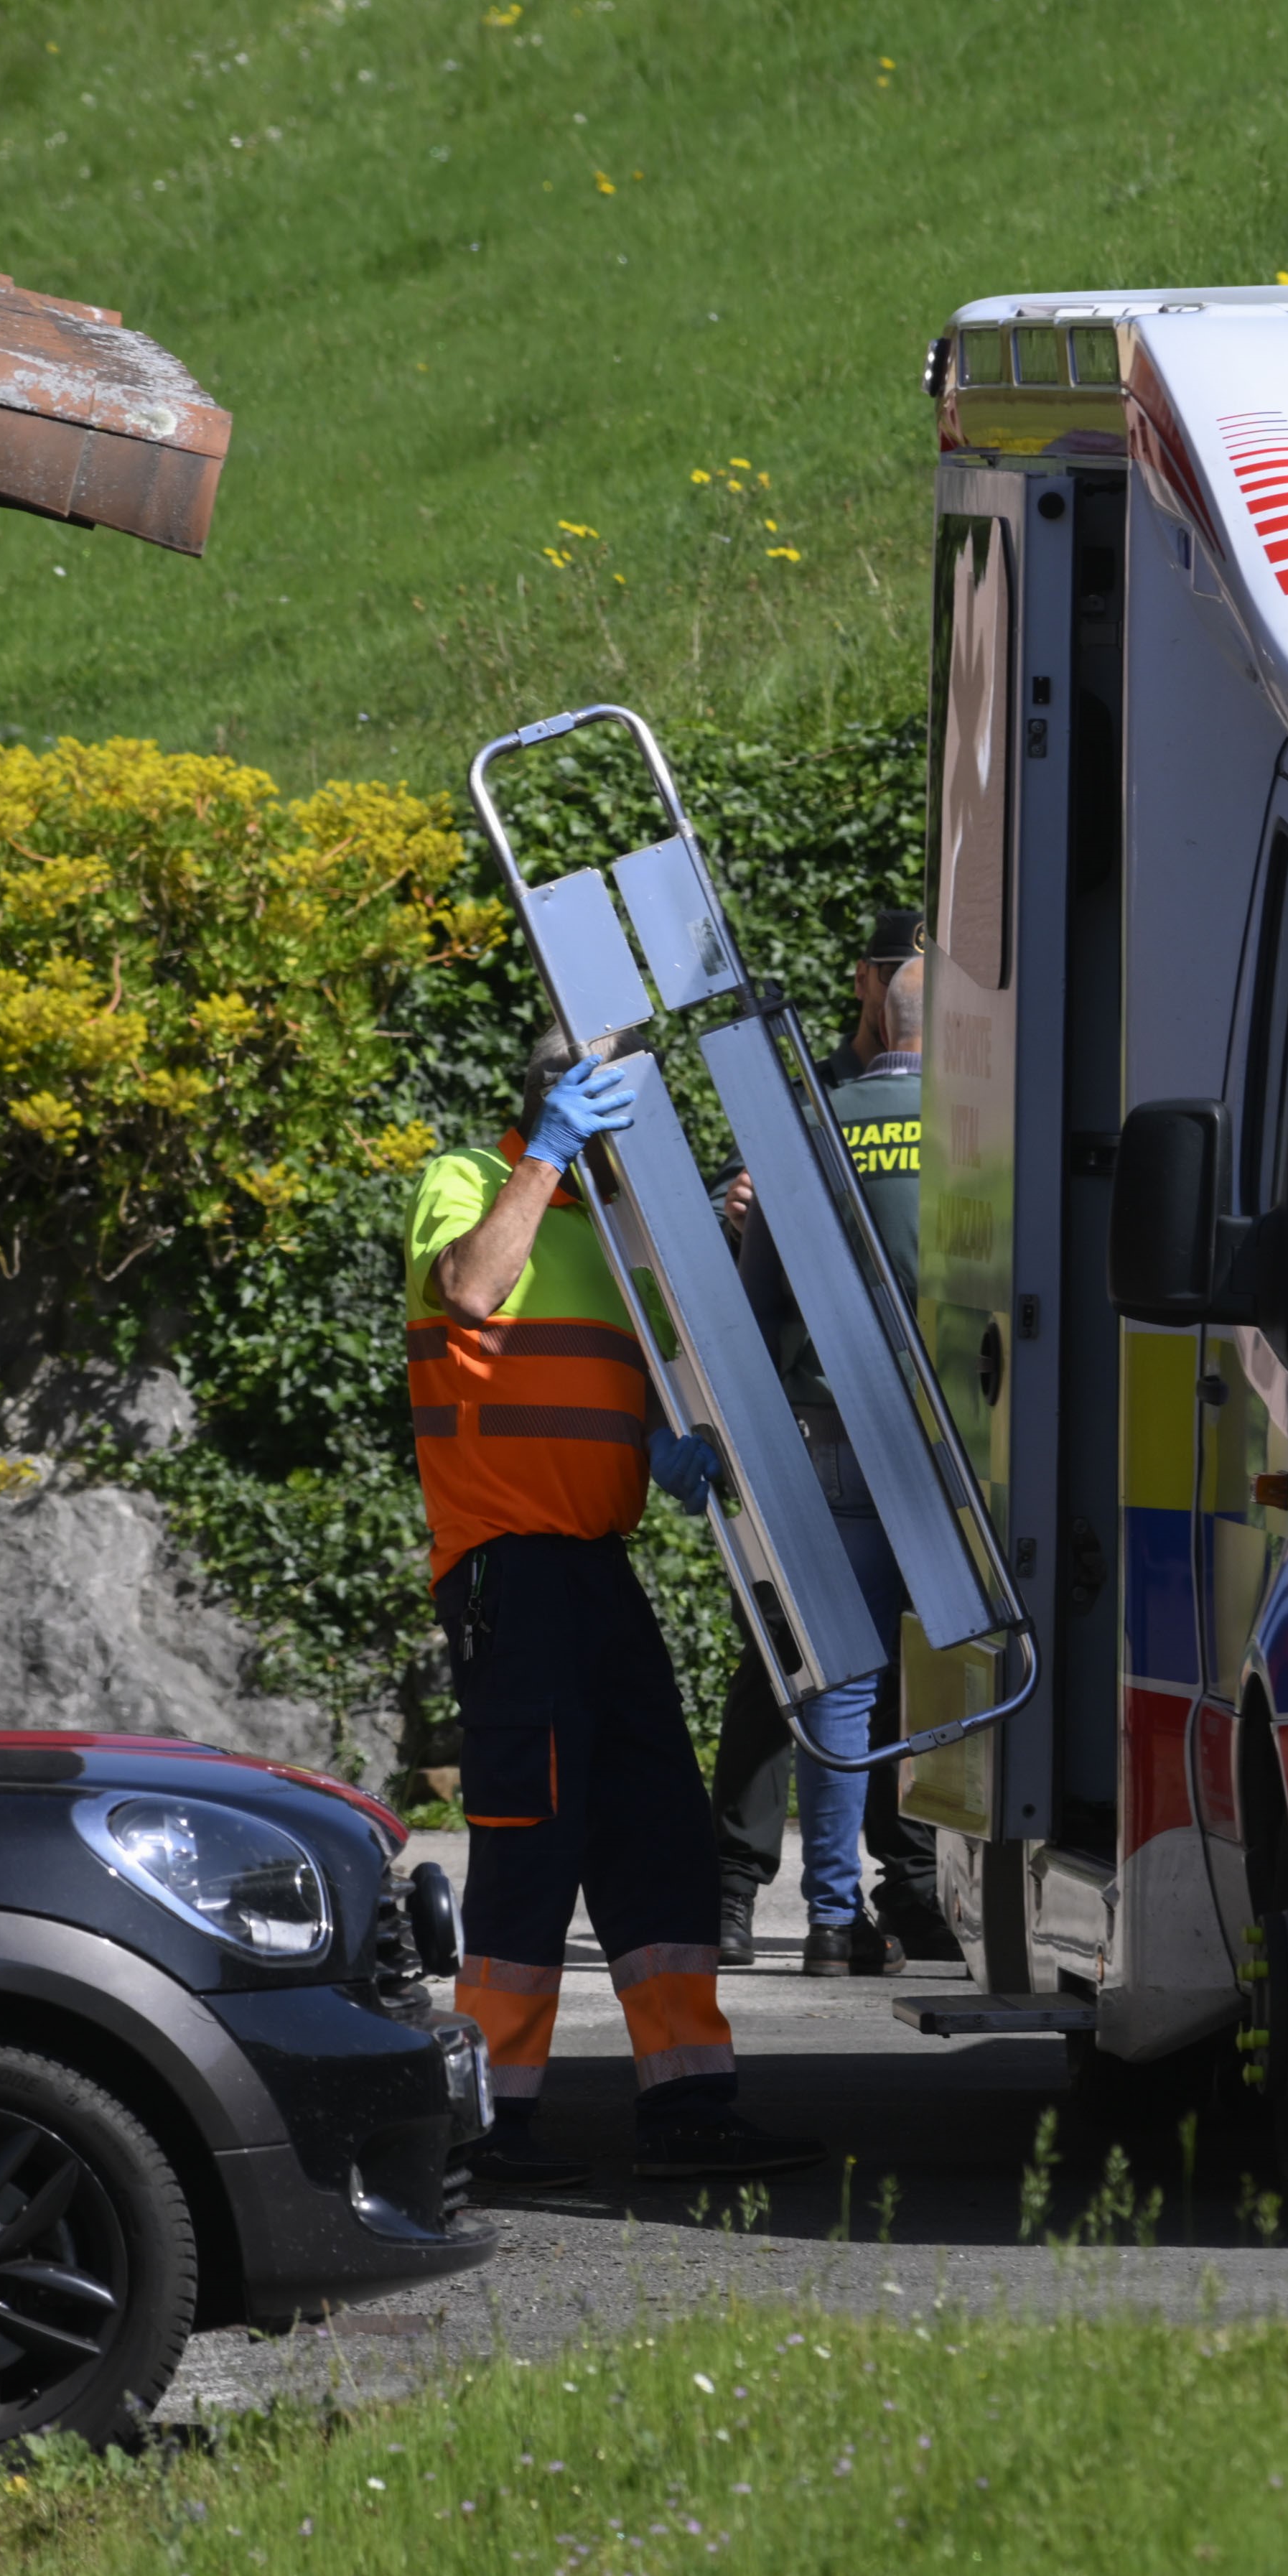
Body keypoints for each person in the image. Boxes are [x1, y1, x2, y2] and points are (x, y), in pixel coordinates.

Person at [411, 1032, 823, 2188]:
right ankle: (487, 2127)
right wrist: (545, 1154)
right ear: (558, 1099)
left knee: (658, 1833)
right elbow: (471, 1289)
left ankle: (688, 2105)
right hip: (505, 1568)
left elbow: (614, 1388)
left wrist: (660, 1444)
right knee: (529, 1843)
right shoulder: (466, 1180)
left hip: (595, 1564)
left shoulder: (616, 1235)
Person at [709, 912, 961, 1975]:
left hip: (827, 1428)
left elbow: (755, 1302)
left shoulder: (804, 1124)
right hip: (955, 1436)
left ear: (874, 997)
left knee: (835, 1679)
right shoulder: (981, 1123)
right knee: (955, 1660)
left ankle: (827, 1915)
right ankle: (948, 1891)